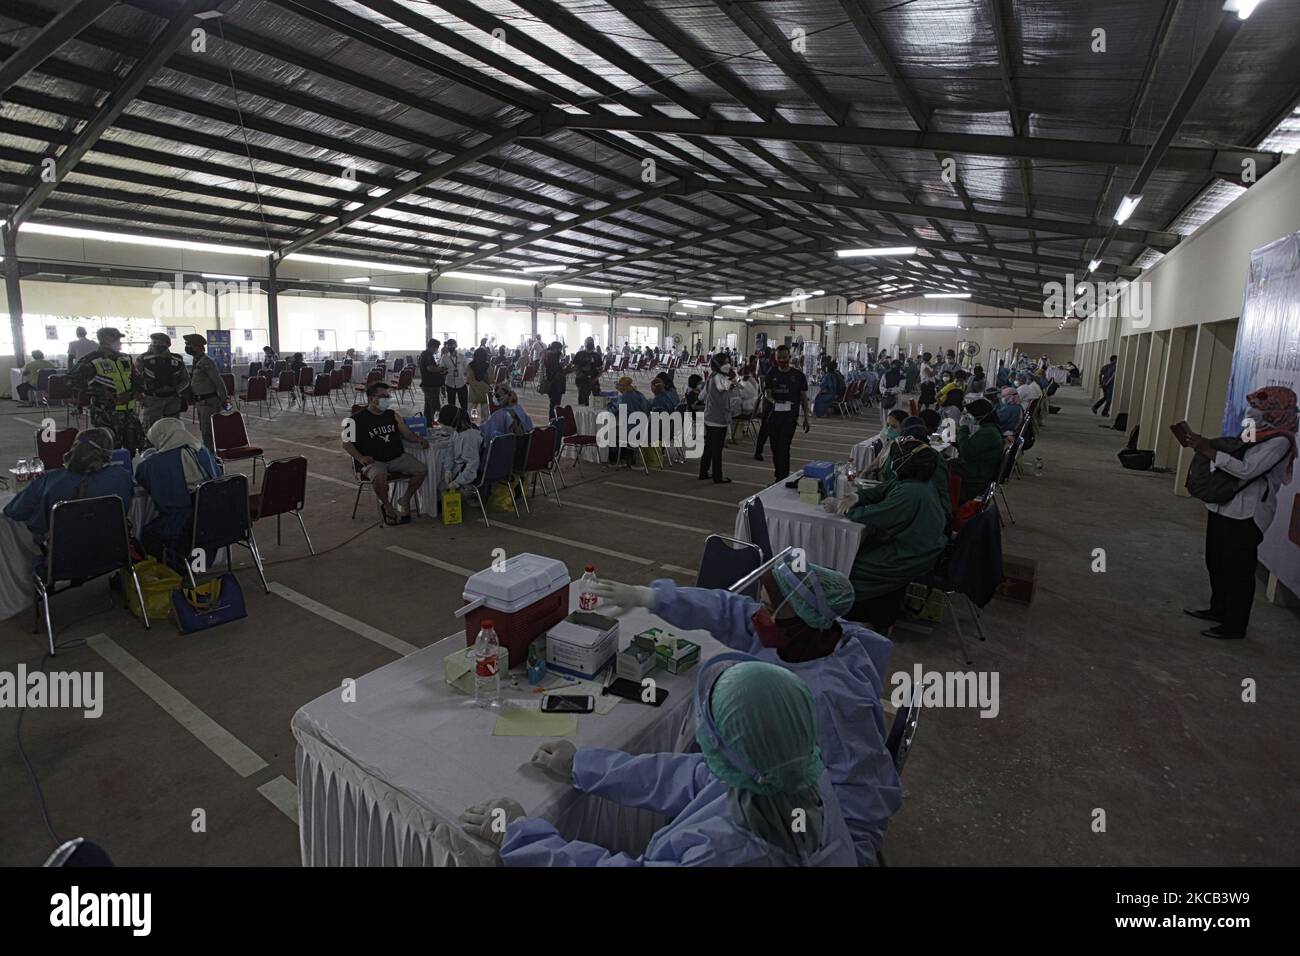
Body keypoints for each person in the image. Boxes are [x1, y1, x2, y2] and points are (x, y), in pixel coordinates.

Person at [593, 560, 902, 864]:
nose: (757, 614)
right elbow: (728, 610)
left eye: (768, 607)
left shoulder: (833, 701)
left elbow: (861, 802)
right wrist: (651, 597)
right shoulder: (809, 636)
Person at [462, 656, 856, 866]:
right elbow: (690, 777)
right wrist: (584, 766)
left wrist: (519, 835)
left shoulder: (723, 853)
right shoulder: (794, 772)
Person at [1182, 386, 1298, 640]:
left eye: (1259, 407)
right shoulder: (1255, 433)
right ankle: (1218, 609)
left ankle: (1234, 625)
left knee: (1238, 570)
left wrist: (1209, 450)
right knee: (1216, 561)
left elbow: (1247, 470)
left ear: (1277, 411)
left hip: (1247, 513)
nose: (1252, 411)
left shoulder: (1280, 441)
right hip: (1223, 505)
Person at [841, 436, 949, 625]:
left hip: (912, 555)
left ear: (904, 461)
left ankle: (864, 615)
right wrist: (857, 497)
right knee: (861, 549)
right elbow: (882, 491)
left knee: (849, 565)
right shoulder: (914, 482)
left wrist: (849, 509)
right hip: (919, 545)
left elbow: (877, 515)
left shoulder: (910, 492)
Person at [3, 428, 134, 548]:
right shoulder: (122, 477)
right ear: (107, 453)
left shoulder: (50, 480)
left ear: (74, 449)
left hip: (64, 561)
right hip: (113, 556)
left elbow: (12, 511)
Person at [135, 418, 222, 559]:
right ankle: (196, 565)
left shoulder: (153, 463)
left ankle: (169, 568)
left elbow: (141, 479)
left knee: (146, 534)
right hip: (213, 516)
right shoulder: (202, 450)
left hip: (181, 522)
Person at [343, 381, 429, 525]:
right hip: (373, 461)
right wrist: (361, 458)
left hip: (397, 457)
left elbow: (407, 433)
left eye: (388, 395)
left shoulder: (392, 415)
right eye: (383, 396)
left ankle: (405, 498)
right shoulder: (354, 420)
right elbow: (346, 444)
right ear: (372, 399)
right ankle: (388, 506)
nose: (387, 399)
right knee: (380, 477)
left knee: (421, 470)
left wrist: (418, 439)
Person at [70, 327, 147, 455]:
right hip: (105, 414)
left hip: (129, 413)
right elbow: (71, 381)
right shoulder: (91, 360)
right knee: (109, 450)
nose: (120, 342)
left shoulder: (125, 358)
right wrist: (102, 393)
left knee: (132, 450)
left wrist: (133, 394)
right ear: (106, 340)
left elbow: (138, 380)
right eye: (117, 339)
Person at [761, 344, 810, 480]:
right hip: (774, 417)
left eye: (784, 357)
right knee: (775, 448)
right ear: (775, 359)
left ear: (789, 357)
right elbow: (767, 393)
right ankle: (779, 475)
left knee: (784, 447)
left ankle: (782, 478)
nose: (782, 360)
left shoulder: (798, 375)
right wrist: (774, 402)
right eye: (779, 358)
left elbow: (803, 398)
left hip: (789, 419)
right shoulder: (772, 374)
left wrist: (806, 417)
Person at [182, 334, 229, 454]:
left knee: (209, 432)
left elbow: (218, 381)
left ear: (198, 346)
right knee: (204, 431)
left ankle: (213, 459)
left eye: (190, 345)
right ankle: (211, 455)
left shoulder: (206, 362)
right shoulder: (196, 360)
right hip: (201, 402)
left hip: (209, 403)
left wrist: (224, 399)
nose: (187, 347)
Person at [951, 398, 1004, 502]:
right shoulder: (989, 429)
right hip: (978, 469)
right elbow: (970, 447)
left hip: (975, 475)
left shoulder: (989, 433)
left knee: (942, 466)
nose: (968, 417)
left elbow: (966, 452)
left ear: (981, 414)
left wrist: (963, 428)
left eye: (970, 414)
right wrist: (953, 440)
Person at [137, 333, 189, 429]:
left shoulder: (177, 359)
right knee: (151, 429)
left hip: (172, 400)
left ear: (168, 344)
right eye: (154, 342)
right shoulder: (143, 358)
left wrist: (177, 390)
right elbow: (136, 379)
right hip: (153, 400)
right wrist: (140, 396)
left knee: (173, 428)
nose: (156, 345)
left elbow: (185, 379)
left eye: (160, 343)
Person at [699, 353, 736, 484]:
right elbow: (724, 387)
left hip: (709, 416)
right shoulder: (720, 378)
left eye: (728, 362)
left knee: (709, 446)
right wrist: (732, 380)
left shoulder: (711, 376)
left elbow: (701, 397)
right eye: (724, 363)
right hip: (718, 419)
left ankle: (703, 472)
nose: (727, 365)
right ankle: (717, 476)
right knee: (717, 449)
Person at [438, 403, 484, 494]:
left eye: (443, 424)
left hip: (471, 473)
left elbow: (472, 467)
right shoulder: (456, 432)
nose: (442, 427)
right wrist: (448, 469)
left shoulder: (468, 437)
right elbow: (450, 452)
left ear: (450, 422)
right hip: (461, 469)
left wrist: (457, 482)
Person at [607, 375, 650, 468]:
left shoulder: (624, 398)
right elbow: (646, 407)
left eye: (619, 385)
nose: (617, 387)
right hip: (643, 429)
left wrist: (609, 403)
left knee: (611, 431)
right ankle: (629, 456)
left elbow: (614, 411)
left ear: (623, 387)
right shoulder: (639, 394)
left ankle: (615, 458)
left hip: (631, 430)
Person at [540, 341, 568, 421]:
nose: (560, 351)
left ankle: (553, 420)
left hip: (555, 383)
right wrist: (566, 370)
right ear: (555, 349)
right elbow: (556, 372)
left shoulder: (552, 356)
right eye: (559, 349)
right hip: (555, 384)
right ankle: (552, 421)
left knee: (554, 403)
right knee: (554, 404)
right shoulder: (551, 357)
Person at [418, 338, 443, 423]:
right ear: (432, 346)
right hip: (430, 385)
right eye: (437, 348)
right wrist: (441, 369)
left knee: (428, 405)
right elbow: (430, 368)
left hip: (428, 384)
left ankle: (428, 423)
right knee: (435, 406)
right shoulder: (427, 355)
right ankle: (436, 424)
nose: (437, 350)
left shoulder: (425, 354)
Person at [572, 337, 603, 406]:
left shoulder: (597, 355)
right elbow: (575, 368)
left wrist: (594, 379)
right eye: (588, 342)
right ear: (585, 344)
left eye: (591, 342)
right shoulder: (579, 354)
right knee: (583, 402)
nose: (590, 343)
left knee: (598, 401)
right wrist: (583, 376)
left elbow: (601, 370)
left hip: (594, 381)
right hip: (582, 381)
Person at [466, 347, 492, 424]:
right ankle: (484, 428)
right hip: (485, 392)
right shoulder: (488, 366)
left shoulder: (470, 365)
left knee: (471, 411)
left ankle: (471, 425)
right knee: (485, 414)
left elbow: (468, 380)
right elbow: (491, 379)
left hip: (473, 391)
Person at [439, 339, 467, 410]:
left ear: (456, 345)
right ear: (446, 346)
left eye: (452, 344)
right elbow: (441, 370)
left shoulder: (462, 356)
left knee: (464, 403)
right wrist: (443, 371)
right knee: (451, 404)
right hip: (450, 384)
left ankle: (464, 418)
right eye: (449, 345)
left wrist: (467, 378)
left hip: (461, 383)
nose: (451, 346)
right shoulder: (444, 357)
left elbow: (467, 369)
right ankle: (452, 419)